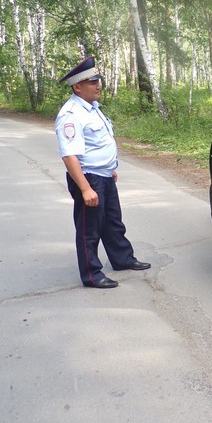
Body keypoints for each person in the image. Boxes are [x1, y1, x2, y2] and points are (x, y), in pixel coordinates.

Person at [55, 56, 150, 289]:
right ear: (77, 86)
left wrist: (110, 169)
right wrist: (85, 188)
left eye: (98, 80)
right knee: (89, 229)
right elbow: (69, 155)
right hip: (88, 178)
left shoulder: (93, 109)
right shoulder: (71, 115)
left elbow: (99, 144)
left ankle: (122, 259)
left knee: (112, 221)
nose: (98, 85)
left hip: (103, 175)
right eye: (91, 81)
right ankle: (92, 274)